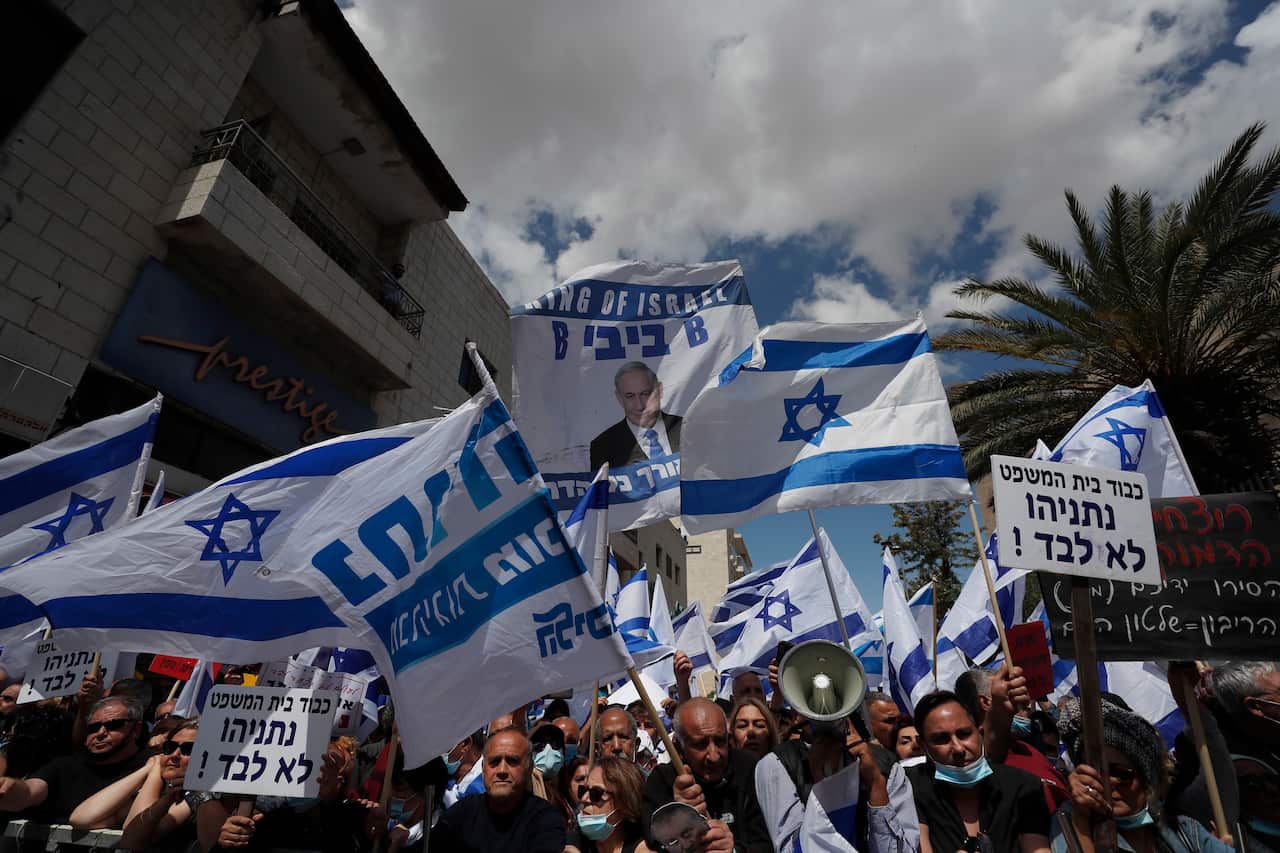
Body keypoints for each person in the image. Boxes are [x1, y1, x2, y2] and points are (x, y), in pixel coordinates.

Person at [1052, 697, 1233, 852]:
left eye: (1120, 773)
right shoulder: (1067, 825)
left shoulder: (1184, 832)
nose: (1107, 782)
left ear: (1148, 781)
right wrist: (1081, 822)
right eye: (1095, 772)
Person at [908, 689, 1050, 853]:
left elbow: (1038, 848)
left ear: (980, 732)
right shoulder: (911, 787)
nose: (958, 748)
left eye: (964, 734)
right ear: (923, 745)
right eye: (942, 739)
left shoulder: (1022, 786)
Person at [755, 711, 918, 852]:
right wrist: (821, 785)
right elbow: (793, 849)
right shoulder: (777, 764)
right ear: (796, 714)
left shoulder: (887, 765)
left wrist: (876, 783)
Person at [198, 736, 384, 852]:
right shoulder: (261, 818)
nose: (319, 771)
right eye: (311, 760)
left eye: (330, 765)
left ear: (341, 778)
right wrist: (227, 844)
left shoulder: (357, 818)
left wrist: (379, 833)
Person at [641, 698, 770, 852]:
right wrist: (674, 815)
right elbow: (654, 843)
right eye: (700, 744)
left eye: (720, 741)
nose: (714, 756)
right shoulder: (661, 780)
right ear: (677, 747)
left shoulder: (749, 768)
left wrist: (734, 851)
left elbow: (768, 842)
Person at [0, 695, 148, 823]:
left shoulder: (152, 766)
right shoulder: (63, 766)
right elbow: (30, 791)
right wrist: (10, 787)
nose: (101, 733)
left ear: (136, 729)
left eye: (114, 725)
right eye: (93, 728)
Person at [73, 719, 204, 851]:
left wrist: (154, 775)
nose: (174, 755)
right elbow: (81, 818)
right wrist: (148, 770)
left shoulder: (198, 794)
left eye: (189, 749)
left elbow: (132, 830)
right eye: (169, 748)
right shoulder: (158, 788)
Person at [429, 728, 565, 852]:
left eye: (512, 761)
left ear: (529, 768)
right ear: (483, 767)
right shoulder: (465, 810)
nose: (502, 770)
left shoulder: (545, 818)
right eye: (494, 761)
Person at [957, 664, 1069, 811]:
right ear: (985, 702)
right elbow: (992, 744)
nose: (1027, 705)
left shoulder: (1027, 749)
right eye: (1012, 694)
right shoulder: (975, 758)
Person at [589, 362, 682, 471]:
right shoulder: (603, 447)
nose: (639, 406)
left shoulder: (688, 429)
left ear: (660, 390)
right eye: (630, 396)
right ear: (619, 398)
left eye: (645, 394)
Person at [564, 757, 653, 853]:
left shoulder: (642, 850)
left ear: (624, 802)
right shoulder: (572, 843)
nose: (584, 799)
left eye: (596, 793)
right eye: (583, 790)